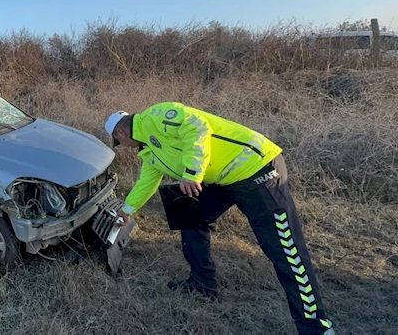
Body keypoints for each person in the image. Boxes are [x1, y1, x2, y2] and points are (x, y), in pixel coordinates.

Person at [105, 102, 334, 335]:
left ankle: (317, 327)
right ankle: (202, 283)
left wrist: (192, 172)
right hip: (225, 180)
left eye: (119, 142)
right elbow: (147, 182)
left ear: (121, 133)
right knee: (187, 212)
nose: (123, 146)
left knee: (285, 249)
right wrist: (127, 210)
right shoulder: (150, 152)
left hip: (255, 168)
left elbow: (197, 127)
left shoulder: (156, 115)